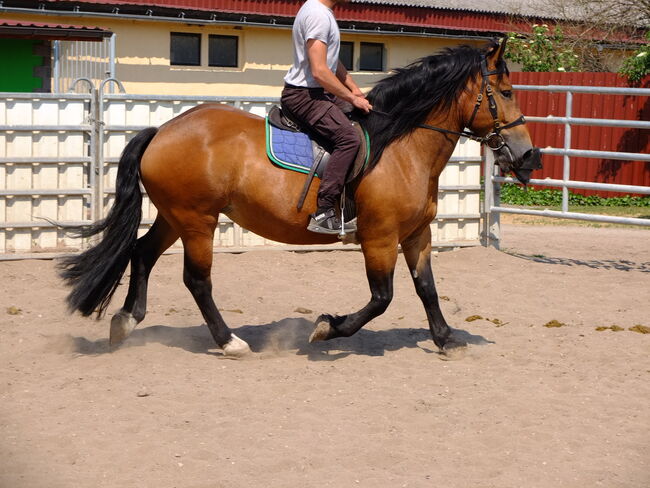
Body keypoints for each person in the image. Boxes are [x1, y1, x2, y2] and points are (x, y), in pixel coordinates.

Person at [281, 0, 372, 235]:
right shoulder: (318, 15)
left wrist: (355, 90)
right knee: (349, 138)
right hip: (305, 95)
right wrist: (352, 99)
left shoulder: (323, 12)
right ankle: (324, 211)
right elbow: (320, 71)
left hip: (318, 92)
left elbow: (333, 62)